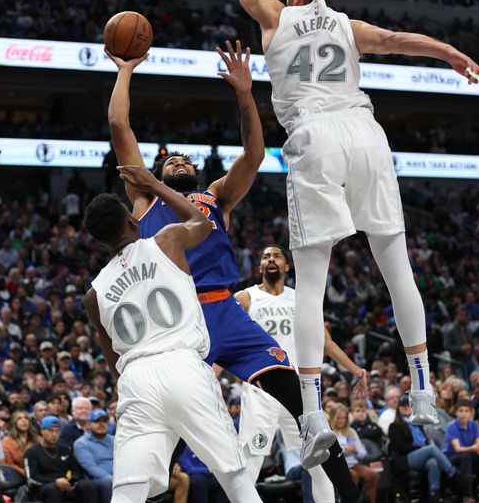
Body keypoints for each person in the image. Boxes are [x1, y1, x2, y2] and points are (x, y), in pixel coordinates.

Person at [222, 0, 479, 429]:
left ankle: (311, 416)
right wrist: (448, 51)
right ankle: (423, 389)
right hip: (366, 134)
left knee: (309, 285)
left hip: (315, 134)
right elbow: (395, 39)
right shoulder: (348, 26)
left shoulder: (277, 15)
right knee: (397, 266)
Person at [106, 38, 357, 498]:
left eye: (184, 159)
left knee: (302, 402)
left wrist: (245, 92)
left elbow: (255, 155)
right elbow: (118, 123)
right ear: (156, 175)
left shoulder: (216, 196)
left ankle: (351, 496)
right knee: (169, 434)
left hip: (224, 310)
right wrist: (126, 71)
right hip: (178, 322)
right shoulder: (143, 198)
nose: (177, 160)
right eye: (168, 161)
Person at [82, 164, 262, 503]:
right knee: (234, 477)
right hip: (182, 365)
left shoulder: (94, 295)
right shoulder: (167, 240)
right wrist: (155, 184)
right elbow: (202, 221)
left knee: (128, 492)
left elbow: (114, 363)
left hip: (135, 380)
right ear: (133, 221)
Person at [235, 244, 368, 501]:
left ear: (287, 266)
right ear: (259, 267)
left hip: (296, 390)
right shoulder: (245, 298)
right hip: (260, 391)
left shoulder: (300, 298)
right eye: (265, 256)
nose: (270, 259)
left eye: (276, 256)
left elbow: (325, 342)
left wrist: (356, 370)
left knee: (319, 463)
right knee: (250, 465)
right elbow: (227, 340)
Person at [387, 397, 470, 503]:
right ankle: (454, 474)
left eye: (409, 405)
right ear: (399, 408)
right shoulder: (394, 426)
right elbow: (399, 447)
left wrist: (422, 448)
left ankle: (434, 495)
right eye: (403, 405)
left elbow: (425, 442)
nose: (406, 407)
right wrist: (419, 448)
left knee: (433, 462)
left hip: (419, 456)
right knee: (431, 449)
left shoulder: (417, 424)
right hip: (403, 459)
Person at [23, 416, 98, 503]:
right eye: (50, 431)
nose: (54, 434)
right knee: (53, 489)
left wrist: (73, 481)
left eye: (57, 431)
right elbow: (32, 477)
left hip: (65, 485)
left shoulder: (65, 450)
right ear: (42, 431)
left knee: (89, 485)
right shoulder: (31, 452)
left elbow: (76, 470)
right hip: (43, 488)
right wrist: (55, 481)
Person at [443, 399, 479, 499]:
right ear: (456, 412)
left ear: (471, 413)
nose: (464, 414)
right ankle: (467, 493)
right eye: (461, 411)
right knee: (466, 457)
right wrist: (474, 448)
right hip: (452, 455)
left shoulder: (473, 425)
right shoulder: (451, 426)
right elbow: (458, 448)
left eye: (466, 411)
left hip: (468, 452)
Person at [329, 404, 377, 503]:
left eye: (344, 418)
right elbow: (329, 454)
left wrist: (355, 449)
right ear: (333, 417)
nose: (342, 421)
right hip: (338, 466)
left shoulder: (351, 432)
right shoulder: (329, 433)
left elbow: (362, 454)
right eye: (339, 418)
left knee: (372, 475)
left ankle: (367, 500)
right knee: (352, 475)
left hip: (354, 464)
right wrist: (343, 450)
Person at [72, 409, 113, 503]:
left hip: (117, 476)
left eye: (104, 421)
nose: (101, 424)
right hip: (97, 479)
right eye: (97, 421)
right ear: (88, 425)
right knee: (108, 482)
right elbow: (90, 467)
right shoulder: (81, 443)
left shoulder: (114, 440)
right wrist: (111, 478)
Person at [1, 410, 38, 475]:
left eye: (26, 418)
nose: (24, 421)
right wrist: (27, 473)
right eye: (19, 419)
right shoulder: (6, 442)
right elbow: (10, 465)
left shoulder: (37, 439)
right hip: (18, 476)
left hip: (39, 474)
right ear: (14, 422)